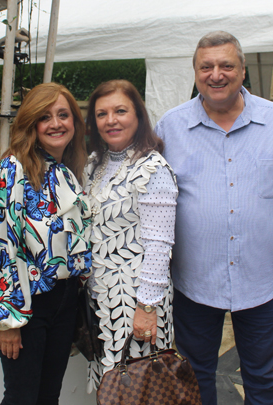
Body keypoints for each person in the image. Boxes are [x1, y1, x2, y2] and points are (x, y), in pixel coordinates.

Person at [155, 31, 273, 404]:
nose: (216, 74)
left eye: (226, 65)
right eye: (206, 66)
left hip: (263, 276)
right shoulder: (169, 128)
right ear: (195, 72)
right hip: (194, 279)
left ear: (242, 71)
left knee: (264, 374)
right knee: (194, 373)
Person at [0, 83, 92, 405]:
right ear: (31, 124)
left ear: (74, 122)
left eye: (63, 115)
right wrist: (6, 320)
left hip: (64, 302)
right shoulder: (11, 170)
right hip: (26, 306)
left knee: (49, 396)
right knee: (22, 398)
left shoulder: (66, 170)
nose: (56, 124)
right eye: (45, 116)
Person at [83, 79, 178, 392]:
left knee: (140, 391)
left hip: (135, 304)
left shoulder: (153, 169)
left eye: (120, 111)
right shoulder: (94, 165)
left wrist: (147, 308)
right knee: (111, 390)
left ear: (138, 116)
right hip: (101, 300)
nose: (111, 120)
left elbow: (159, 245)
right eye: (102, 114)